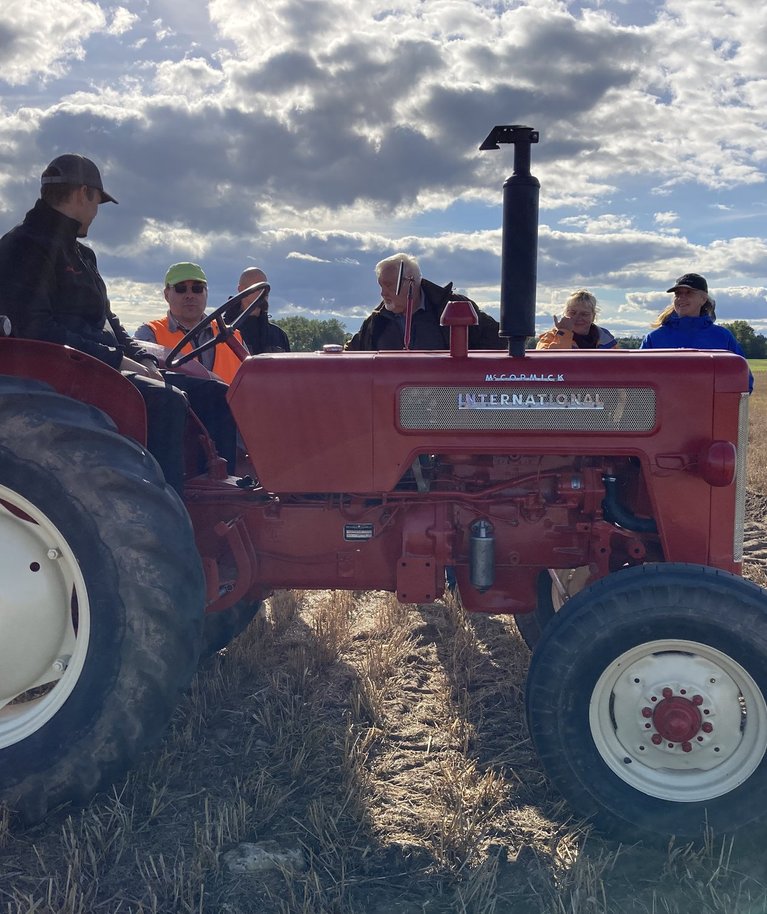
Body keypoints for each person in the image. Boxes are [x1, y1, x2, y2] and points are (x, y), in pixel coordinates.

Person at [0, 153, 235, 493]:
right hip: (63, 373)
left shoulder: (82, 254)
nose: (96, 213)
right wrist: (117, 360)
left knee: (215, 393)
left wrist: (144, 358)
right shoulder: (22, 247)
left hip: (97, 364)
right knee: (166, 400)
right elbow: (37, 332)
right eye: (97, 202)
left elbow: (111, 323)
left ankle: (223, 494)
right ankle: (168, 509)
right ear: (84, 194)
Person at [345, 253, 503, 351]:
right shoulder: (375, 323)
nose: (382, 293)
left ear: (410, 282)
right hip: (391, 402)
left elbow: (498, 340)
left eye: (389, 285)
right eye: (381, 286)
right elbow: (352, 357)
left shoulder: (453, 306)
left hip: (444, 401)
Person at [641, 272, 753, 392]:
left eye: (689, 292)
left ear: (703, 299)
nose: (681, 298)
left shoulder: (722, 337)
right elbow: (638, 381)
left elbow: (744, 381)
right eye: (677, 293)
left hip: (710, 410)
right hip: (665, 410)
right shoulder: (654, 338)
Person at [134, 262, 245, 383]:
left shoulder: (234, 337)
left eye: (197, 289)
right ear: (166, 294)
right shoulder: (149, 333)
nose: (190, 295)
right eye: (180, 289)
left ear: (206, 293)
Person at [223, 267, 290, 354]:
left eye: (266, 289)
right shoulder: (223, 334)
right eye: (259, 288)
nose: (264, 293)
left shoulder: (278, 335)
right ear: (241, 290)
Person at [536, 289, 616, 350]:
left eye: (584, 314)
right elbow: (547, 364)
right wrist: (564, 333)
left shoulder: (605, 338)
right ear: (565, 314)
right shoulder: (549, 337)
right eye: (573, 313)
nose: (577, 318)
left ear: (593, 317)